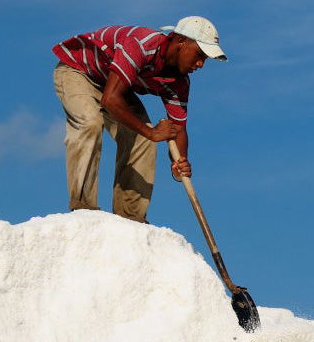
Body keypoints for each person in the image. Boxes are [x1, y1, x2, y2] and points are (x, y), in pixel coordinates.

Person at [51, 16, 227, 223]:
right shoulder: (141, 45)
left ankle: (130, 217)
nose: (200, 64)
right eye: (200, 54)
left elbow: (178, 127)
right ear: (180, 41)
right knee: (90, 123)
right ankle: (83, 208)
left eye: (205, 59)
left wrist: (180, 162)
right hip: (79, 71)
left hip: (114, 83)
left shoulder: (179, 82)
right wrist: (151, 132)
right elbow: (110, 99)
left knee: (144, 140)